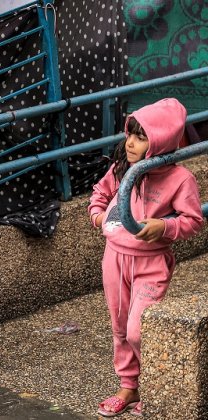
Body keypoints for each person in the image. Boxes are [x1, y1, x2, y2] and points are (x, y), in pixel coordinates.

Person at [88, 98, 203, 417]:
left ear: (162, 141)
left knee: (139, 329)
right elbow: (99, 193)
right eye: (129, 135)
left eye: (141, 137)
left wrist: (164, 226)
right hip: (114, 258)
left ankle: (153, 383)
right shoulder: (121, 168)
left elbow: (193, 220)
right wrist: (98, 216)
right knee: (120, 327)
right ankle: (128, 386)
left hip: (151, 264)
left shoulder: (180, 179)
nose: (130, 143)